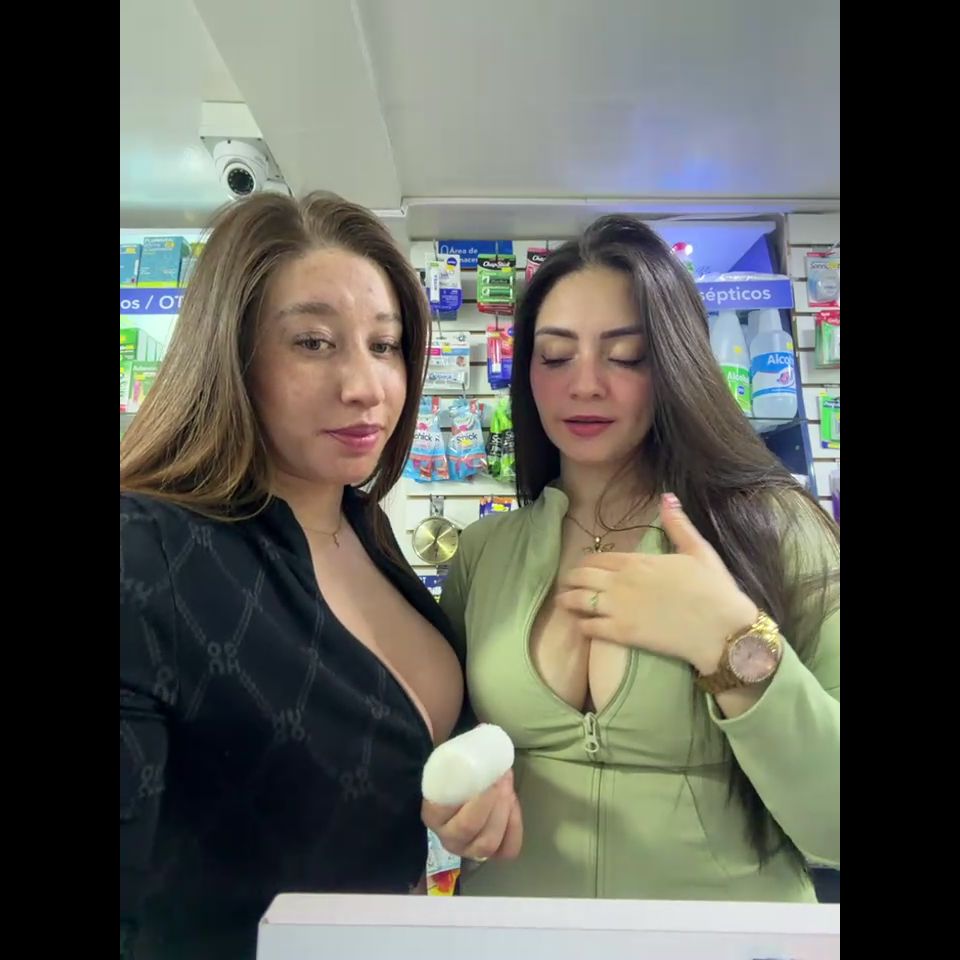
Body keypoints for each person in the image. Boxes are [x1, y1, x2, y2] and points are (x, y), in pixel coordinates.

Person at [424, 215, 839, 902]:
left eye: (627, 356)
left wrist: (733, 642)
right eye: (555, 356)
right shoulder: (484, 551)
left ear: (676, 364)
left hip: (727, 943)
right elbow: (450, 758)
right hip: (513, 937)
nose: (585, 384)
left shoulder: (777, 530)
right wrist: (460, 798)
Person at [120, 192, 466, 959]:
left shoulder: (365, 527)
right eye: (313, 343)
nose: (365, 385)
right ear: (232, 354)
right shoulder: (146, 547)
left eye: (385, 344)